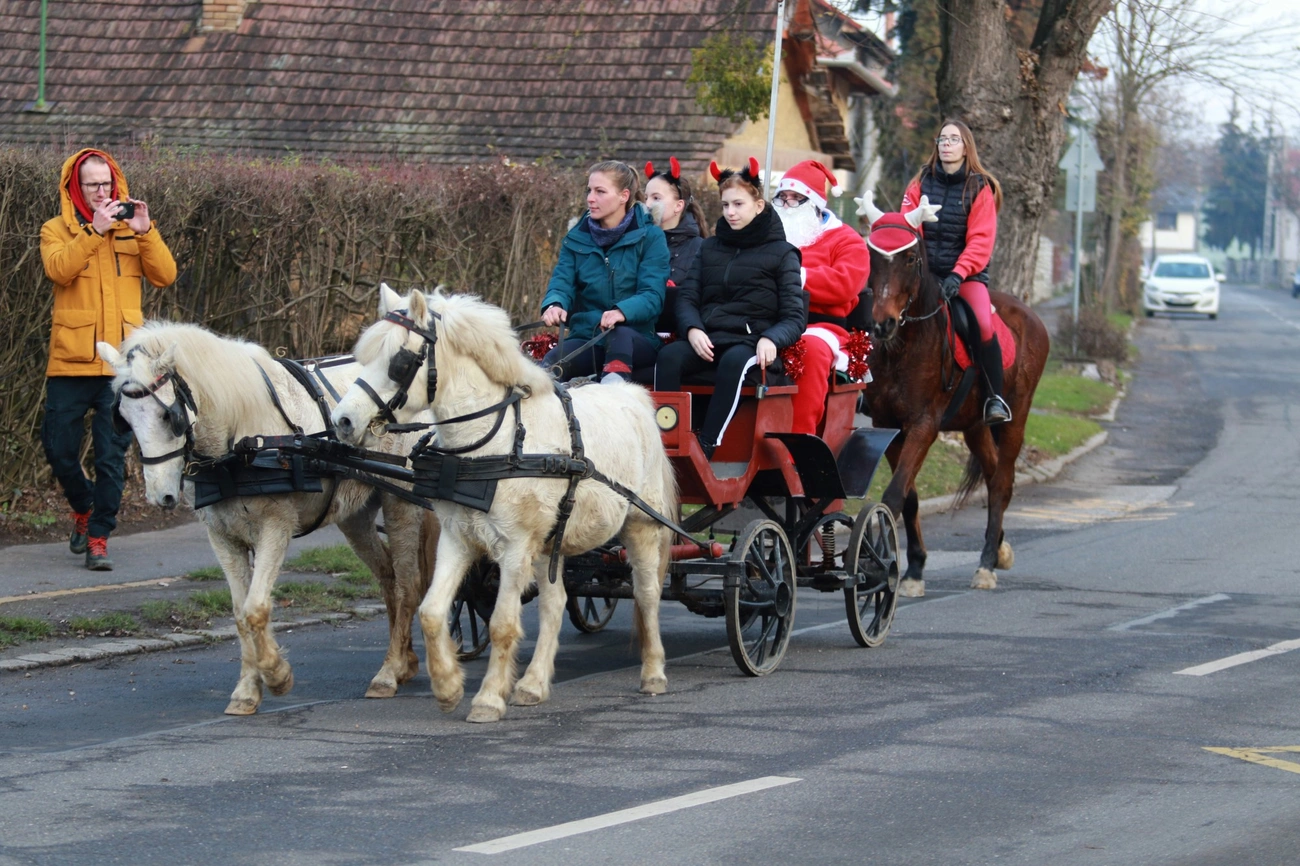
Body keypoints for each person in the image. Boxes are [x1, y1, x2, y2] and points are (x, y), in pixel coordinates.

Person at [40, 149, 177, 570]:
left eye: (107, 184)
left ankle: (99, 536)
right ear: (74, 189)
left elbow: (165, 275)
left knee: (111, 457)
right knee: (58, 448)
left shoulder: (132, 231)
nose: (102, 193)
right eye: (93, 185)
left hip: (122, 367)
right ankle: (83, 507)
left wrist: (146, 230)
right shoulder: (56, 230)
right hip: (71, 360)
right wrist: (93, 232)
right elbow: (58, 271)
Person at [655, 158, 805, 459]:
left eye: (738, 204)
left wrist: (771, 338)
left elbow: (794, 316)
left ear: (759, 205)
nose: (730, 212)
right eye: (725, 205)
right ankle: (668, 442)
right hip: (709, 338)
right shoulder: (709, 248)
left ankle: (706, 445)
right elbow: (687, 298)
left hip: (751, 342)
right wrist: (693, 328)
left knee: (734, 362)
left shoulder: (783, 253)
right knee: (669, 356)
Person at [903, 118, 1009, 424]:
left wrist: (958, 274)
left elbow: (981, 241)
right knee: (887, 310)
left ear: (966, 147)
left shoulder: (980, 187)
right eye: (942, 140)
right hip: (923, 276)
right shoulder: (920, 182)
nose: (947, 145)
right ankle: (872, 390)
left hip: (964, 277)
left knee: (983, 324)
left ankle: (994, 397)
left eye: (953, 140)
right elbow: (906, 224)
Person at [540, 160, 669, 384]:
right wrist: (555, 304)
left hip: (635, 338)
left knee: (620, 337)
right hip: (587, 337)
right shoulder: (575, 239)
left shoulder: (651, 237)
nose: (590, 198)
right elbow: (562, 282)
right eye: (589, 190)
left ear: (624, 196)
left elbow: (653, 295)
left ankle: (612, 407)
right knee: (549, 367)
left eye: (600, 191)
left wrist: (622, 311)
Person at [772, 160, 871, 435]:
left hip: (819, 325)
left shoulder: (846, 240)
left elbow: (846, 283)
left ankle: (798, 444)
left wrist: (800, 276)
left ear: (815, 203)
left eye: (796, 199)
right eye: (782, 198)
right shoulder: (767, 236)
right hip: (767, 319)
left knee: (810, 350)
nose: (787, 205)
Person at [644, 157, 709, 337]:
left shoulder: (700, 248)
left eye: (656, 198)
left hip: (679, 335)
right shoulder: (638, 240)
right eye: (646, 197)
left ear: (678, 205)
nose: (648, 204)